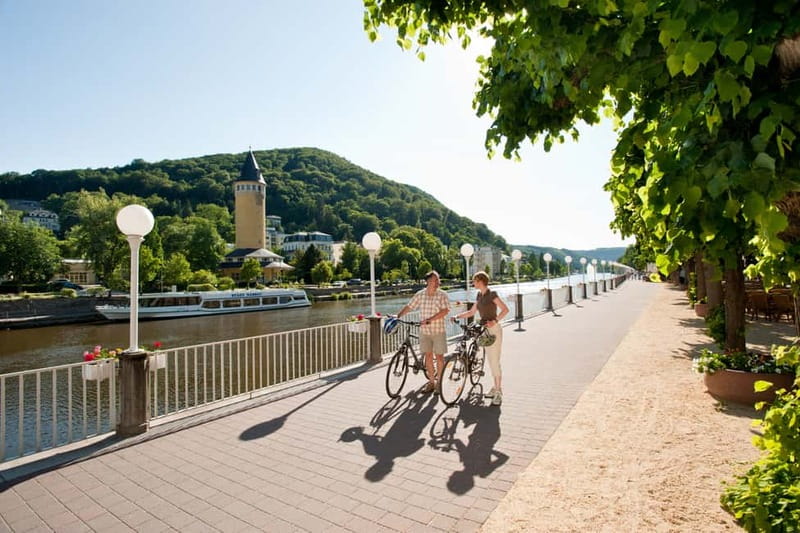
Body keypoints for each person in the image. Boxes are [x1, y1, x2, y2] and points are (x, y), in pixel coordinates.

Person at [452, 271, 509, 405]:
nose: (473, 283)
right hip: (484, 330)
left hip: (493, 330)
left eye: (474, 280)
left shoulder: (492, 294)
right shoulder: (479, 295)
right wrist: (457, 316)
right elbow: (472, 312)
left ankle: (499, 392)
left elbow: (505, 309)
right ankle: (495, 388)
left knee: (494, 361)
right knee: (490, 361)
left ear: (481, 281)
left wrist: (495, 321)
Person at [396, 270, 451, 393]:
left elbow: (445, 311)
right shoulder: (420, 294)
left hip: (438, 331)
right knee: (428, 357)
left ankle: (439, 384)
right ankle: (431, 382)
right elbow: (409, 306)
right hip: (424, 332)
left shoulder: (442, 294)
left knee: (440, 357)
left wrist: (430, 320)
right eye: (435, 280)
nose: (438, 282)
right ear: (428, 281)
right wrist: (398, 316)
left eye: (438, 279)